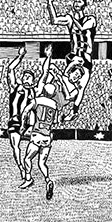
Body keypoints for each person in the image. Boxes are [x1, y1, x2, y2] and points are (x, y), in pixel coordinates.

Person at [19, 46, 78, 200]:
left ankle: (28, 178)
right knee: (42, 164)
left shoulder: (37, 100)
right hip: (47, 137)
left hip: (37, 133)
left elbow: (25, 111)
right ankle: (47, 180)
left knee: (27, 159)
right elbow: (59, 120)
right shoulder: (54, 106)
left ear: (44, 91)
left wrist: (23, 124)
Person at [45, 0, 97, 115]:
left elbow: (82, 27)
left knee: (81, 87)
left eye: (79, 1)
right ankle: (54, 99)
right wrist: (49, 2)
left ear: (84, 4)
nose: (76, 3)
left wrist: (72, 19)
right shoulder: (70, 19)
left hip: (85, 58)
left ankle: (74, 111)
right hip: (73, 56)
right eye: (75, 1)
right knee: (64, 80)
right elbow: (54, 20)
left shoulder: (91, 19)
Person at [5, 46, 36, 179]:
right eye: (24, 76)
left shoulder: (35, 91)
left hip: (30, 124)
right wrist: (20, 56)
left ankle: (28, 165)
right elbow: (10, 69)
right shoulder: (16, 87)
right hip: (15, 120)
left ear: (32, 80)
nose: (26, 78)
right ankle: (22, 168)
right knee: (15, 146)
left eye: (29, 77)